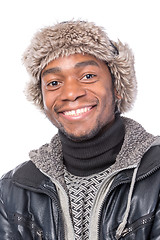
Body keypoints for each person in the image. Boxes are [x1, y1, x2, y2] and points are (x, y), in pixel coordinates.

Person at [0, 20, 160, 240]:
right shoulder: (14, 190)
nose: (71, 93)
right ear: (43, 100)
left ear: (117, 87)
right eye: (54, 83)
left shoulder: (156, 173)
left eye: (88, 76)